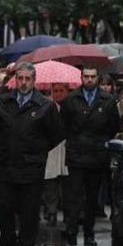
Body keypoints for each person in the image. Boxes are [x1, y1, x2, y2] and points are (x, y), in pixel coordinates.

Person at [0, 62, 65, 246]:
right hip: (6, 164)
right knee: (4, 209)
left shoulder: (45, 106)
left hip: (31, 168)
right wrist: (2, 148)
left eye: (27, 79)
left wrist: (37, 151)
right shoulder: (3, 101)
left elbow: (56, 135)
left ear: (34, 80)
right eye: (20, 78)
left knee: (28, 213)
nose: (23, 83)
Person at [60, 67, 120, 246]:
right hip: (77, 153)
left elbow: (113, 126)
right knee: (73, 196)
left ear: (97, 78)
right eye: (86, 76)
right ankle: (71, 230)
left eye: (93, 77)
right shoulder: (71, 100)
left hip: (96, 155)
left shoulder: (108, 100)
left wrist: (100, 142)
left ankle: (88, 232)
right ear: (81, 77)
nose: (89, 80)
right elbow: (64, 125)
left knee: (92, 197)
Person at [43, 83, 70, 226]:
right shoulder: (46, 106)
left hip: (66, 148)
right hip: (52, 148)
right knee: (50, 183)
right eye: (55, 91)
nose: (58, 94)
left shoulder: (70, 106)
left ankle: (67, 214)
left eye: (61, 91)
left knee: (66, 185)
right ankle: (51, 211)